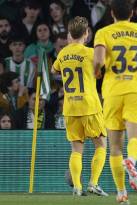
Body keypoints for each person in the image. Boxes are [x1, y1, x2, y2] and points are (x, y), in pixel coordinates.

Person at [93, 0, 137, 203]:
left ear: (112, 13)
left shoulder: (103, 32)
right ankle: (131, 160)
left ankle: (121, 192)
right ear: (132, 13)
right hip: (135, 90)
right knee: (135, 137)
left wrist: (97, 71)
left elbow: (97, 60)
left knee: (114, 145)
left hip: (112, 92)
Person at [51, 16, 108, 196]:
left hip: (70, 107)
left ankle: (77, 186)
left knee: (77, 149)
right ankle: (93, 183)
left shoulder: (62, 53)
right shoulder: (90, 53)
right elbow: (102, 68)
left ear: (69, 34)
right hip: (89, 105)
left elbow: (54, 72)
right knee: (100, 145)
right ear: (86, 33)